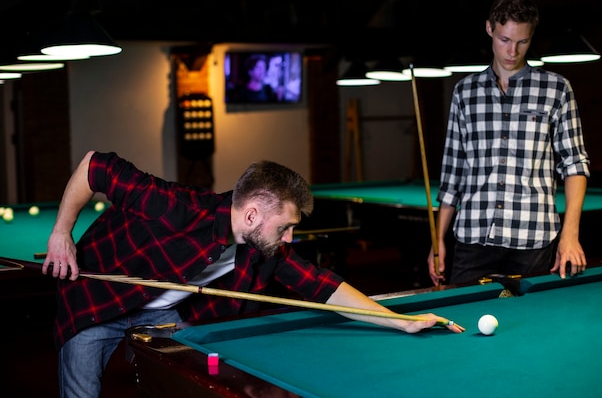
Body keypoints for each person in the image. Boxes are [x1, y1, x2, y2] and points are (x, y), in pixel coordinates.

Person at [43, 151, 463, 398]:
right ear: (250, 214)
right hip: (98, 300)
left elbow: (325, 288)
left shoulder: (266, 249)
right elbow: (95, 165)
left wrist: (399, 321)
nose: (290, 236)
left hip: (164, 318)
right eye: (285, 226)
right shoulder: (176, 206)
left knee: (182, 382)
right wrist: (62, 233)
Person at [427, 0, 590, 287]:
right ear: (490, 28)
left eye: (522, 42)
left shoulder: (557, 89)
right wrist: (438, 240)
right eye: (505, 40)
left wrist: (570, 235)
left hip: (535, 239)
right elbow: (453, 174)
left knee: (537, 328)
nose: (512, 51)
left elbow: (575, 165)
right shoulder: (464, 92)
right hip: (474, 237)